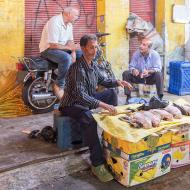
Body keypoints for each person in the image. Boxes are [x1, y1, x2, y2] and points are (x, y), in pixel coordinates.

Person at [59, 34, 132, 182]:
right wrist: (104, 105)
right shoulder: (76, 68)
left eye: (96, 46)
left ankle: (111, 133)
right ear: (83, 48)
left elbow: (103, 80)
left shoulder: (93, 65)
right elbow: (80, 96)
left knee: (111, 93)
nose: (95, 50)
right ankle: (97, 163)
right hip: (71, 104)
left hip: (86, 101)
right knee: (89, 118)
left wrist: (118, 82)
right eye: (91, 47)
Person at [39, 6, 82, 100]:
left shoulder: (69, 24)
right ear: (68, 14)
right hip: (47, 50)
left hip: (61, 49)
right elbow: (53, 45)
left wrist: (73, 51)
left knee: (82, 54)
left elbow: (70, 41)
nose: (77, 17)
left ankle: (76, 81)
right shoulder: (54, 22)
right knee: (66, 58)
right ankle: (59, 85)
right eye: (76, 15)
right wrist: (70, 49)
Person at [122, 38, 163, 104]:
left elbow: (158, 68)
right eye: (141, 44)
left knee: (159, 74)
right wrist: (134, 70)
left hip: (150, 78)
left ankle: (160, 97)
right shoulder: (136, 54)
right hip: (139, 77)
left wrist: (149, 71)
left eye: (144, 45)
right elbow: (131, 66)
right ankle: (128, 96)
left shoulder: (155, 55)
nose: (140, 46)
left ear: (149, 48)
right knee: (126, 73)